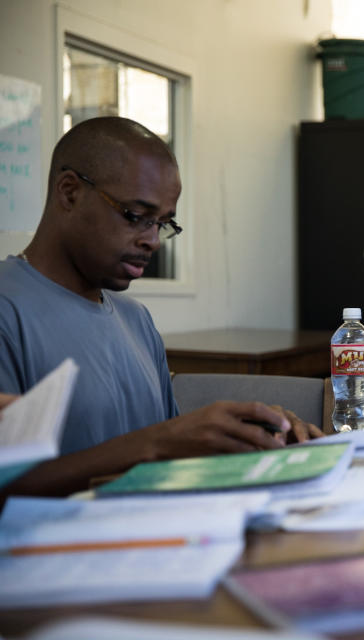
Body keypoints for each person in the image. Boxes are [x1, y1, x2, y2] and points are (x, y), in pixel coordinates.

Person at [0, 117, 321, 497]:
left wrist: (250, 436)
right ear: (69, 192)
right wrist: (158, 443)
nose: (153, 240)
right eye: (136, 216)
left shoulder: (136, 320)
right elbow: (10, 485)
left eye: (164, 223)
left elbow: (169, 460)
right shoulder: (10, 308)